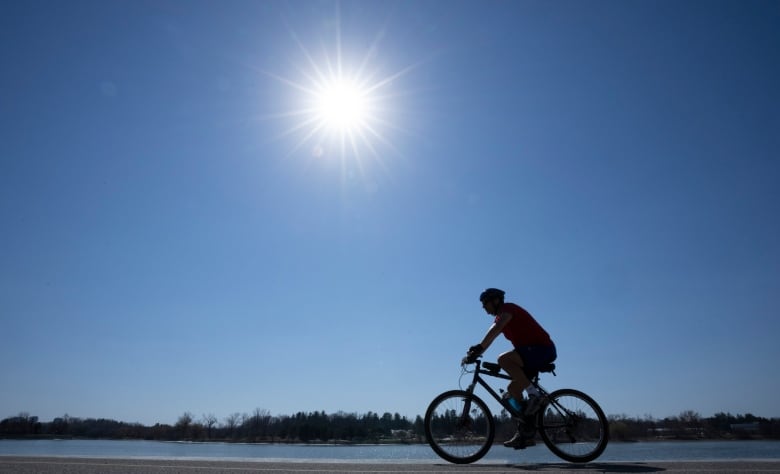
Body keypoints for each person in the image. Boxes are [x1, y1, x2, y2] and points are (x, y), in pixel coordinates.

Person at [464, 288, 557, 449]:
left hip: (542, 349)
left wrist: (479, 348)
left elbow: (495, 330)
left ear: (495, 301)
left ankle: (534, 395)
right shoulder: (500, 317)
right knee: (512, 390)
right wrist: (476, 352)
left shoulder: (508, 309)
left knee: (503, 359)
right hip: (530, 354)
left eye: (485, 303)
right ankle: (526, 433)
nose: (483, 308)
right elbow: (491, 334)